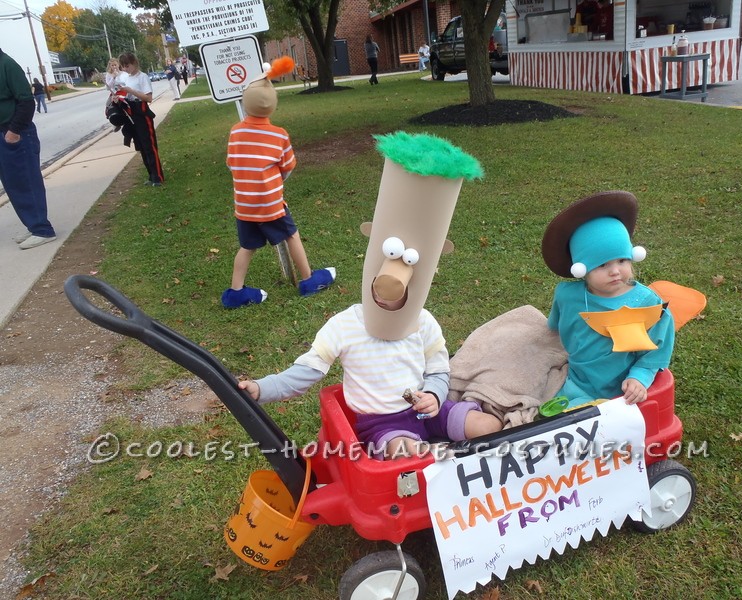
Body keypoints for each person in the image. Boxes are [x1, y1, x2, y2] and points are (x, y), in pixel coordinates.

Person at [238, 131, 501, 459]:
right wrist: (262, 388)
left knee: (486, 427)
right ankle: (438, 463)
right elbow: (306, 373)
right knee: (409, 454)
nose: (390, 295)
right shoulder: (345, 325)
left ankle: (461, 464)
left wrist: (434, 395)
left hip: (431, 412)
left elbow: (438, 370)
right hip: (382, 426)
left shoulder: (423, 322)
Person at [541, 191, 675, 408]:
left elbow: (657, 350)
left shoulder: (648, 304)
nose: (615, 271)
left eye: (622, 260)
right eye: (602, 265)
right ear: (581, 269)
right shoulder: (568, 296)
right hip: (577, 382)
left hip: (622, 391)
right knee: (559, 421)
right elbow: (554, 327)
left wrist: (639, 377)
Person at [221, 56, 335, 308]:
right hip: (271, 204)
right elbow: (288, 168)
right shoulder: (278, 135)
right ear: (272, 106)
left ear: (245, 102)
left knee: (247, 247)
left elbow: (231, 163)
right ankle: (308, 279)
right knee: (291, 235)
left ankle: (235, 292)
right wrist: (272, 181)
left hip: (244, 206)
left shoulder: (235, 131)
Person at [0, 48, 56, 249]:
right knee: (13, 184)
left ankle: (42, 229)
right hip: (4, 134)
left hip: (16, 134)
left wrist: (13, 131)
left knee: (26, 181)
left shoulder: (7, 65)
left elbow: (26, 102)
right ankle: (33, 225)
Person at [115, 52, 164, 186]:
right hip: (132, 114)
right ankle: (151, 175)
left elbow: (148, 98)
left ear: (134, 63)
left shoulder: (142, 77)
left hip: (142, 113)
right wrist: (119, 96)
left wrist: (131, 91)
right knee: (141, 147)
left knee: (149, 146)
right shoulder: (127, 78)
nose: (125, 69)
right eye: (123, 66)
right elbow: (127, 95)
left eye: (127, 65)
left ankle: (158, 176)